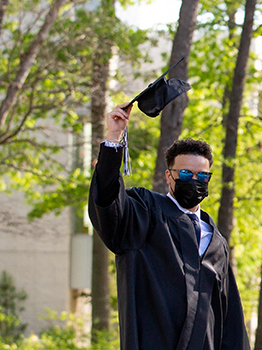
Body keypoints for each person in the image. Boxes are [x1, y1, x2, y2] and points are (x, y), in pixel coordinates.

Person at [88, 102, 249, 350]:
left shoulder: (215, 241)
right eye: (185, 174)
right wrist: (113, 138)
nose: (194, 181)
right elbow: (109, 200)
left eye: (202, 176)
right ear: (168, 176)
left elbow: (230, 318)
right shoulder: (145, 213)